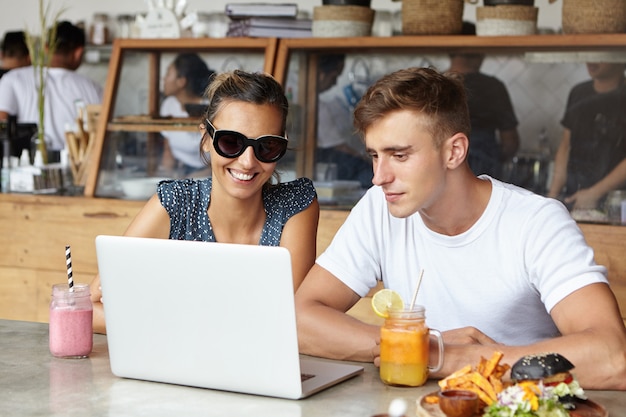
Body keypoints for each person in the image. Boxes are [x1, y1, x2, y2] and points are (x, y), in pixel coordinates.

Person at [294, 67, 626, 390]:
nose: (379, 176)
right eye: (375, 156)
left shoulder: (537, 222)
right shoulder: (378, 207)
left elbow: (613, 356)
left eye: (399, 155)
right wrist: (418, 346)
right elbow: (299, 320)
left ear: (454, 151)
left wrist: (471, 360)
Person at [90, 70, 320, 334]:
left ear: (282, 146)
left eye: (266, 146)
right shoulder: (176, 203)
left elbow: (288, 319)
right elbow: (89, 307)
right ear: (206, 138)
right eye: (231, 142)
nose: (247, 161)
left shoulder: (296, 206)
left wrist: (168, 317)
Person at [0, 21, 102, 155]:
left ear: (46, 48)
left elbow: (2, 125)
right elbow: (101, 133)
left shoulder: (12, 79)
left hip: (26, 166)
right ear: (78, 53)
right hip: (75, 164)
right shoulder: (93, 88)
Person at [547, 62, 626, 210]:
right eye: (589, 54)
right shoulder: (578, 92)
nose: (591, 60)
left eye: (600, 55)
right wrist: (552, 198)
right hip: (575, 197)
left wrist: (595, 193)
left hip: (617, 202)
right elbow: (565, 146)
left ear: (619, 59)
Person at [447, 22, 520, 179]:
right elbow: (510, 142)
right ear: (480, 51)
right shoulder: (493, 87)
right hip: (484, 174)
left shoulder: (433, 84)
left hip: (441, 173)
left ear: (450, 51)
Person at [315, 54, 372, 188]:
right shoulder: (318, 107)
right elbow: (339, 146)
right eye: (333, 77)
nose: (334, 83)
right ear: (321, 75)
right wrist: (366, 160)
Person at [160, 53, 216, 176]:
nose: (163, 79)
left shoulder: (211, 106)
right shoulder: (168, 105)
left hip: (209, 172)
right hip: (180, 171)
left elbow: (221, 153)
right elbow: (167, 150)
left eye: (168, 74)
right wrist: (165, 178)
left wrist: (198, 176)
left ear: (181, 81)